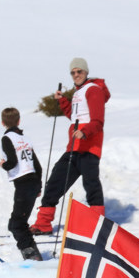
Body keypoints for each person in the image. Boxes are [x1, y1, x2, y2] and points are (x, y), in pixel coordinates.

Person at [30, 58, 110, 235]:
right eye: (73, 72)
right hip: (74, 147)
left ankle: (99, 226)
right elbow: (75, 117)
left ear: (86, 72)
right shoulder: (78, 92)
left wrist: (85, 132)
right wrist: (63, 101)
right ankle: (43, 223)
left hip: (89, 148)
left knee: (91, 186)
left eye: (79, 71)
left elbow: (98, 121)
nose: (76, 75)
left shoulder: (93, 90)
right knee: (54, 183)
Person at [0, 107, 43, 260]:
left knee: (16, 224)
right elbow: (37, 166)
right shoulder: (24, 138)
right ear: (18, 121)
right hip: (33, 182)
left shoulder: (7, 138)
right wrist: (39, 185)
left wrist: (3, 165)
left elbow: (12, 162)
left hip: (24, 184)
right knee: (20, 223)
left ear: (2, 122)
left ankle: (31, 255)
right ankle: (33, 252)